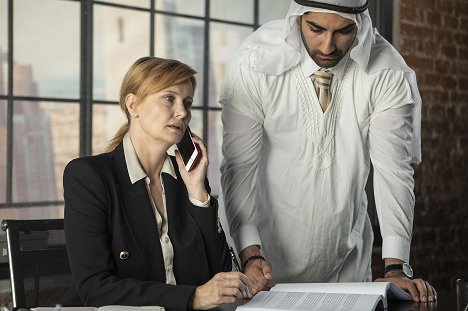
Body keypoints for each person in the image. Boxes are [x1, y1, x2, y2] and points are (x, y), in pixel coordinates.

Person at [219, 0, 437, 303]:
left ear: (360, 23)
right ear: (297, 19)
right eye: (316, 28)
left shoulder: (387, 71)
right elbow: (238, 168)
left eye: (344, 31)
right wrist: (250, 255)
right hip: (260, 266)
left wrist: (396, 266)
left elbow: (394, 172)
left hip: (347, 268)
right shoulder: (254, 62)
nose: (328, 45)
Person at [62, 56, 251, 310]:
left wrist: (198, 194)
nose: (183, 112)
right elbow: (94, 287)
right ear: (133, 105)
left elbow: (218, 273)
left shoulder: (188, 179)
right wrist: (192, 298)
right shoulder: (89, 177)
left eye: (187, 103)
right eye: (169, 98)